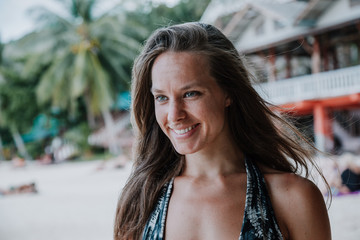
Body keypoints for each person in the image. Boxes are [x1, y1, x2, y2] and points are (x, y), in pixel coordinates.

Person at [114, 22, 331, 240]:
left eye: (191, 94)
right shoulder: (140, 200)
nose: (173, 115)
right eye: (161, 97)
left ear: (228, 92)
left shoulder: (292, 198)